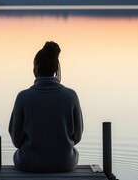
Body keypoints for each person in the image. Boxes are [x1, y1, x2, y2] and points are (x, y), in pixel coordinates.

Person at [9, 41, 84, 173]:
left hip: (29, 163)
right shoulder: (71, 96)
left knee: (18, 154)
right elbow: (77, 137)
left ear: (36, 67)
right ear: (56, 69)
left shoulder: (23, 97)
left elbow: (16, 141)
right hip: (65, 163)